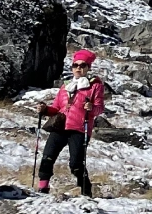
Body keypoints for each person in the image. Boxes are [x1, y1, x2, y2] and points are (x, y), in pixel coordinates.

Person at [36, 49, 105, 197]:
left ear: (88, 68)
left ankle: (86, 190)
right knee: (47, 157)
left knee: (76, 164)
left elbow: (100, 108)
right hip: (60, 127)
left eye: (82, 65)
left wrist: (92, 108)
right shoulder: (65, 86)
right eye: (75, 65)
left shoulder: (95, 86)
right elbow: (56, 108)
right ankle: (43, 189)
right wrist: (45, 109)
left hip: (79, 129)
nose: (78, 68)